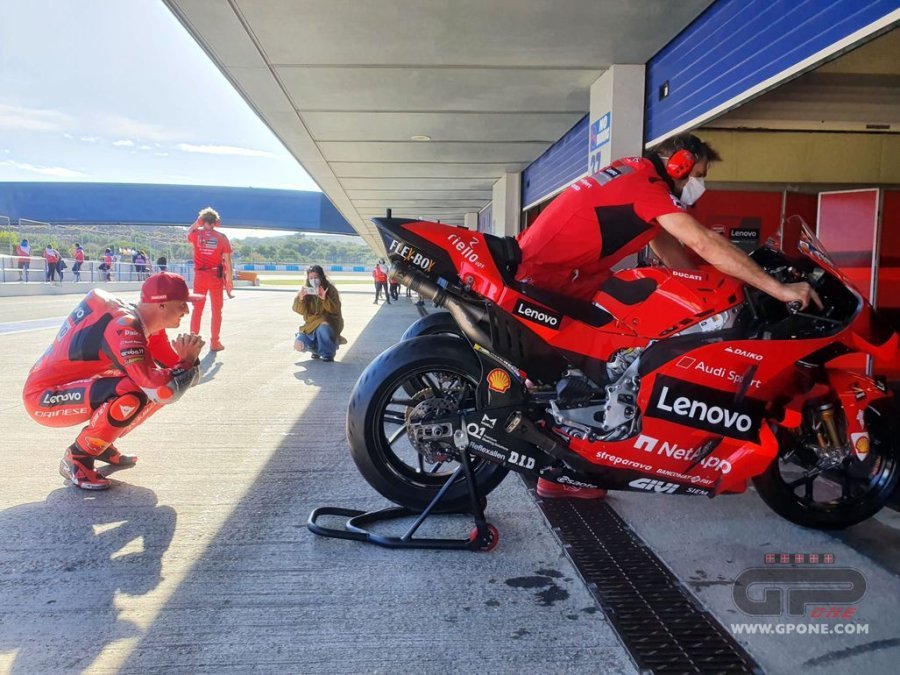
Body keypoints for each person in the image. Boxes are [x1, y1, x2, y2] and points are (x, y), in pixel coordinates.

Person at [519, 133, 822, 501]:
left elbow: (669, 249)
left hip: (563, 280)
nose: (700, 184)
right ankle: (568, 463)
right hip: (548, 282)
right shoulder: (645, 185)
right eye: (700, 174)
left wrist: (714, 294)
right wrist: (778, 289)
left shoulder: (638, 179)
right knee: (611, 362)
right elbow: (702, 241)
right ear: (679, 163)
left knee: (606, 359)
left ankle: (567, 471)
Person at [22, 272, 205, 490]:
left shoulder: (148, 326)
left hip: (74, 385)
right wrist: (187, 361)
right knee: (137, 390)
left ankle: (100, 442)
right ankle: (78, 457)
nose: (187, 311)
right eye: (182, 304)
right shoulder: (125, 326)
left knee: (150, 382)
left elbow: (183, 379)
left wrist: (188, 361)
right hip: (43, 397)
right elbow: (165, 390)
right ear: (162, 304)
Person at [188, 207, 233, 351]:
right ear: (216, 222)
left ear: (202, 221)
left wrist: (198, 222)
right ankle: (215, 342)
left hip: (199, 277)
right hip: (215, 277)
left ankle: (192, 342)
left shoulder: (195, 234)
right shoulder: (222, 237)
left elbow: (189, 231)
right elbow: (228, 260)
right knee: (216, 311)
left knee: (197, 310)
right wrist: (230, 280)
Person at [292, 265, 345, 362]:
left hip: (329, 323)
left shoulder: (330, 289)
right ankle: (317, 350)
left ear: (321, 277)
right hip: (311, 325)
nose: (313, 280)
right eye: (311, 278)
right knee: (298, 345)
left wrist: (325, 299)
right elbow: (298, 310)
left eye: (316, 277)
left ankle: (327, 354)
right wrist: (301, 299)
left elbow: (335, 309)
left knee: (323, 325)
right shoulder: (306, 290)